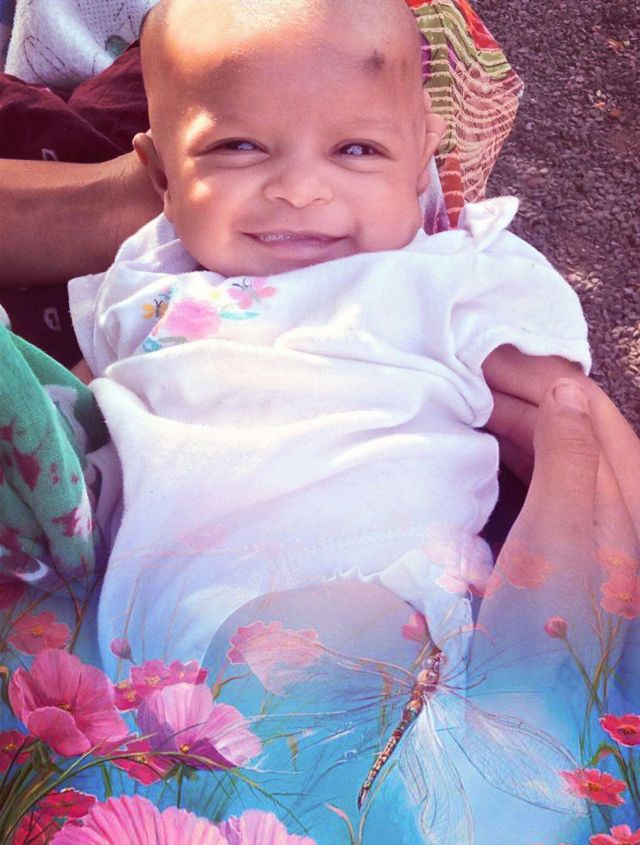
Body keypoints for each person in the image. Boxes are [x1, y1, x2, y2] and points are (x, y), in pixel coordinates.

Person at [64, 0, 638, 687]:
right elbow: (70, 409)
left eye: (357, 150)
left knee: (341, 646)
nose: (300, 190)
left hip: (379, 619)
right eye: (239, 147)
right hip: (129, 656)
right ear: (161, 173)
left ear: (422, 158)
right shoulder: (146, 281)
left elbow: (575, 413)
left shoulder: (447, 277)